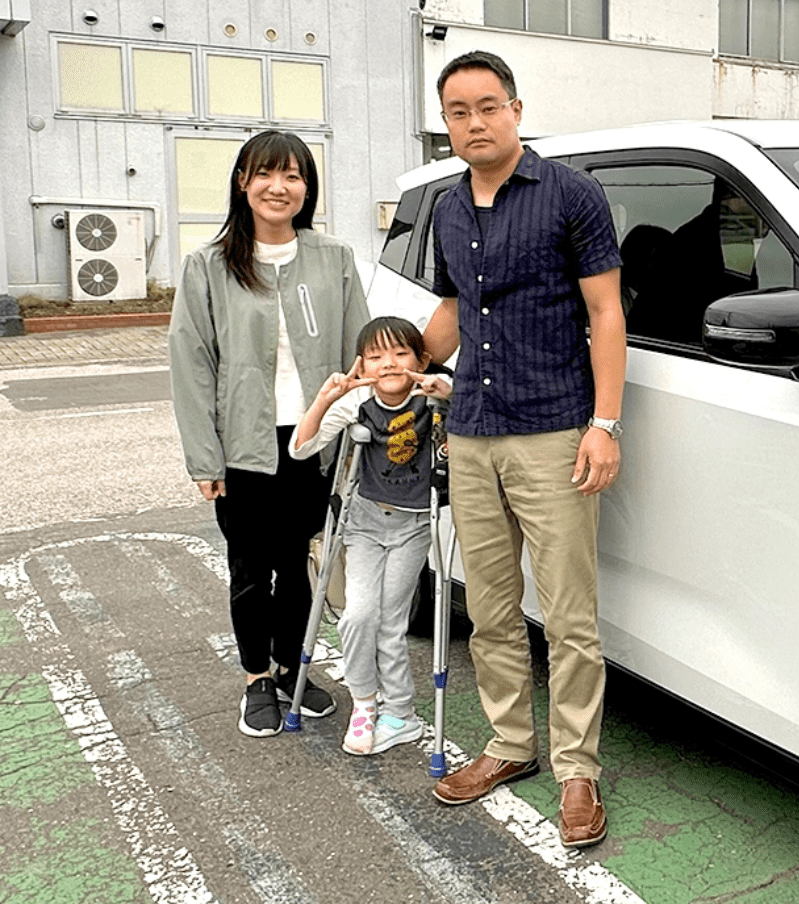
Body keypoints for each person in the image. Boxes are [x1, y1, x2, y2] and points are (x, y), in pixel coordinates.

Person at [421, 50, 626, 850]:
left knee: (571, 616)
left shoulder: (571, 194)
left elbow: (605, 312)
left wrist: (604, 424)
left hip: (553, 429)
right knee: (493, 609)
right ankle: (510, 745)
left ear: (514, 108)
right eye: (458, 112)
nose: (474, 123)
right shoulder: (445, 206)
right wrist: (398, 361)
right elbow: (451, 310)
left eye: (487, 106)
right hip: (470, 427)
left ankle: (579, 769)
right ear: (448, 124)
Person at [169, 130, 371, 738]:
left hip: (313, 445)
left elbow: (359, 353)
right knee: (252, 569)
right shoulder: (208, 264)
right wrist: (204, 458)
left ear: (307, 189)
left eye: (293, 177)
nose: (278, 187)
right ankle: (257, 678)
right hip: (243, 448)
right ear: (243, 182)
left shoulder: (332, 258)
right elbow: (192, 364)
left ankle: (292, 669)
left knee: (298, 563)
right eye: (266, 174)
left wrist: (361, 432)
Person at [290, 316, 452, 756]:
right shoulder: (358, 401)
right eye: (376, 356)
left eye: (401, 354)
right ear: (362, 366)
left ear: (422, 359)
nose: (389, 364)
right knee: (358, 615)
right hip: (364, 524)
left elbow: (471, 412)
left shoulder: (431, 396)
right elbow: (301, 448)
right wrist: (326, 399)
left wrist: (449, 395)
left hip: (414, 525)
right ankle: (365, 703)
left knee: (391, 622)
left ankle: (400, 714)